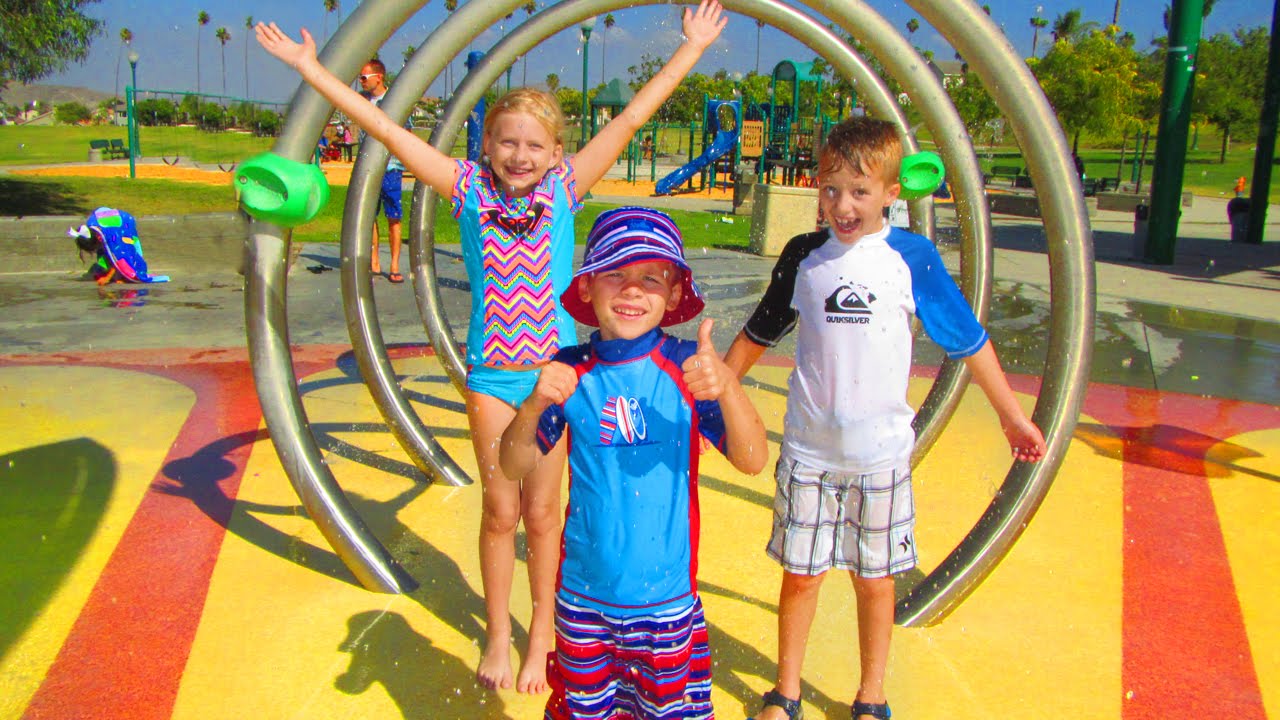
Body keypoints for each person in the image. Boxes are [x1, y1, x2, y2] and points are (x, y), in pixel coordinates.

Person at [256, 2, 727, 695]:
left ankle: (544, 639)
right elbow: (383, 128)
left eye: (535, 145)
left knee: (543, 514)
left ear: (557, 154)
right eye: (507, 142)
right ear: (488, 147)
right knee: (499, 511)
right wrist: (311, 71)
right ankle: (499, 633)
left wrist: (688, 50)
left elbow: (628, 121)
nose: (520, 155)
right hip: (491, 378)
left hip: (558, 377)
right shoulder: (467, 189)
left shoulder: (565, 191)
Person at [724, 117, 1047, 720]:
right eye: (830, 188)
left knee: (875, 582)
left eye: (860, 191)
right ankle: (786, 692)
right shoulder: (804, 257)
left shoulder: (911, 258)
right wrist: (708, 396)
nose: (842, 205)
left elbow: (970, 340)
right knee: (801, 576)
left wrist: (1011, 416)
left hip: (880, 461)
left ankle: (871, 696)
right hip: (809, 455)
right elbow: (758, 333)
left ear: (892, 193)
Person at [499, 207, 768, 719]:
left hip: (666, 605)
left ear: (671, 295)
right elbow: (511, 465)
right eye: (615, 274)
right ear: (587, 289)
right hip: (583, 602)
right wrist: (532, 406)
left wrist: (728, 387)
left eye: (650, 278)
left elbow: (753, 460)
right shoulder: (572, 370)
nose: (631, 290)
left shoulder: (687, 369)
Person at [348, 59, 408, 282]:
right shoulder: (362, 101)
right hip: (367, 168)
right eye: (360, 77)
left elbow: (406, 129)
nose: (361, 81)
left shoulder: (393, 102)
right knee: (369, 216)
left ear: (379, 77)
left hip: (390, 167)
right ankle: (374, 260)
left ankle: (394, 264)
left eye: (364, 77)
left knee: (394, 216)